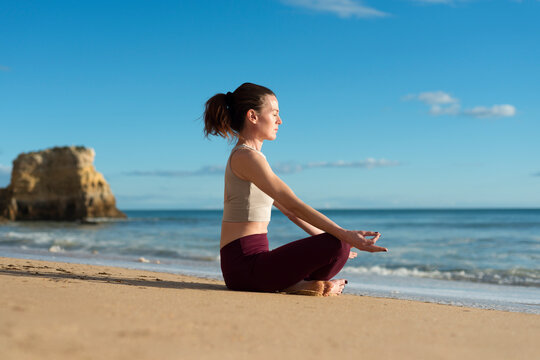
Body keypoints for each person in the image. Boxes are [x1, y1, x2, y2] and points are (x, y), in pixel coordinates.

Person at [204, 82, 387, 296]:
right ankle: (298, 286)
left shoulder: (251, 157)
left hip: (248, 266)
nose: (280, 121)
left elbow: (289, 211)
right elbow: (293, 203)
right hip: (244, 267)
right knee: (338, 244)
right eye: (274, 114)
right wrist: (344, 236)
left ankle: (295, 285)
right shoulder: (246, 157)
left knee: (338, 246)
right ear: (252, 116)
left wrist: (339, 240)